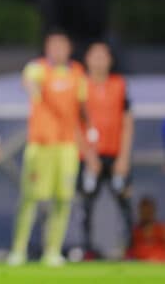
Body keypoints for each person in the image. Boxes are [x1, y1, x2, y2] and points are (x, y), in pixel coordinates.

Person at [8, 30, 100, 267]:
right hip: (40, 145)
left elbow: (80, 110)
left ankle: (53, 250)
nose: (57, 50)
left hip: (67, 146)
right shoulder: (39, 68)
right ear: (47, 49)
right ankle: (18, 250)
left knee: (63, 199)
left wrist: (88, 146)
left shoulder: (77, 72)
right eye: (53, 46)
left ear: (68, 49)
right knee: (31, 198)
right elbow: (28, 79)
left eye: (62, 46)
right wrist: (31, 88)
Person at [79, 42, 134, 256]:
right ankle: (86, 249)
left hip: (115, 154)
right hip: (89, 156)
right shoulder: (81, 84)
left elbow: (127, 121)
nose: (100, 61)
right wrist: (88, 155)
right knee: (85, 204)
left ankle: (128, 248)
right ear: (87, 59)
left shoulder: (119, 84)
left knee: (124, 200)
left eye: (104, 56)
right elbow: (76, 122)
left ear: (110, 60)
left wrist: (124, 157)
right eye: (95, 56)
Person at [128, 196, 165, 262]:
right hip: (139, 267)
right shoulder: (135, 231)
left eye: (148, 210)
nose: (146, 213)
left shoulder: (161, 229)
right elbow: (129, 253)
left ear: (153, 211)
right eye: (143, 210)